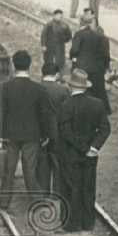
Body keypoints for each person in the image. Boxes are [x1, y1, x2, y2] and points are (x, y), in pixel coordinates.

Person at [0, 50, 50, 211]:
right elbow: (43, 115)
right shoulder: (38, 89)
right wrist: (45, 135)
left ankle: (3, 203)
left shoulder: (4, 88)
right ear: (29, 66)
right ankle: (37, 201)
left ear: (13, 65)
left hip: (10, 136)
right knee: (30, 170)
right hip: (32, 135)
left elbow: (0, 113)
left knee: (8, 170)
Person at [55, 69, 110, 232]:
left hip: (70, 154)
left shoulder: (65, 105)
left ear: (71, 86)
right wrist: (93, 147)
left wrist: (82, 148)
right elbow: (105, 129)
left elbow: (65, 132)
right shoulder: (98, 104)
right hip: (91, 155)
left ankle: (71, 223)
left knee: (70, 187)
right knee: (88, 186)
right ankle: (88, 222)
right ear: (85, 87)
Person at [70, 12, 110, 114]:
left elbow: (74, 50)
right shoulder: (100, 36)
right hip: (97, 68)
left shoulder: (79, 34)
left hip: (83, 67)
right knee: (99, 90)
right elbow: (105, 53)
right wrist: (105, 67)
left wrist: (73, 58)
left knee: (83, 89)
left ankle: (83, 109)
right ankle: (105, 109)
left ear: (82, 23)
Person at [39, 61, 70, 194]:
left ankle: (43, 191)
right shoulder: (63, 90)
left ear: (42, 74)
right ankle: (58, 192)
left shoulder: (36, 88)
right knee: (58, 163)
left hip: (40, 133)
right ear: (57, 75)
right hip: (58, 132)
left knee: (42, 164)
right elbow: (68, 112)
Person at [41, 9, 72, 74]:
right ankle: (48, 74)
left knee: (60, 62)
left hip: (60, 47)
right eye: (57, 15)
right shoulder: (49, 24)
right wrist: (43, 45)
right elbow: (44, 35)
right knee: (49, 61)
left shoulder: (65, 25)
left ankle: (59, 74)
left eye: (60, 16)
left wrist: (63, 40)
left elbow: (69, 36)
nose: (59, 17)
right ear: (54, 16)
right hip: (50, 46)